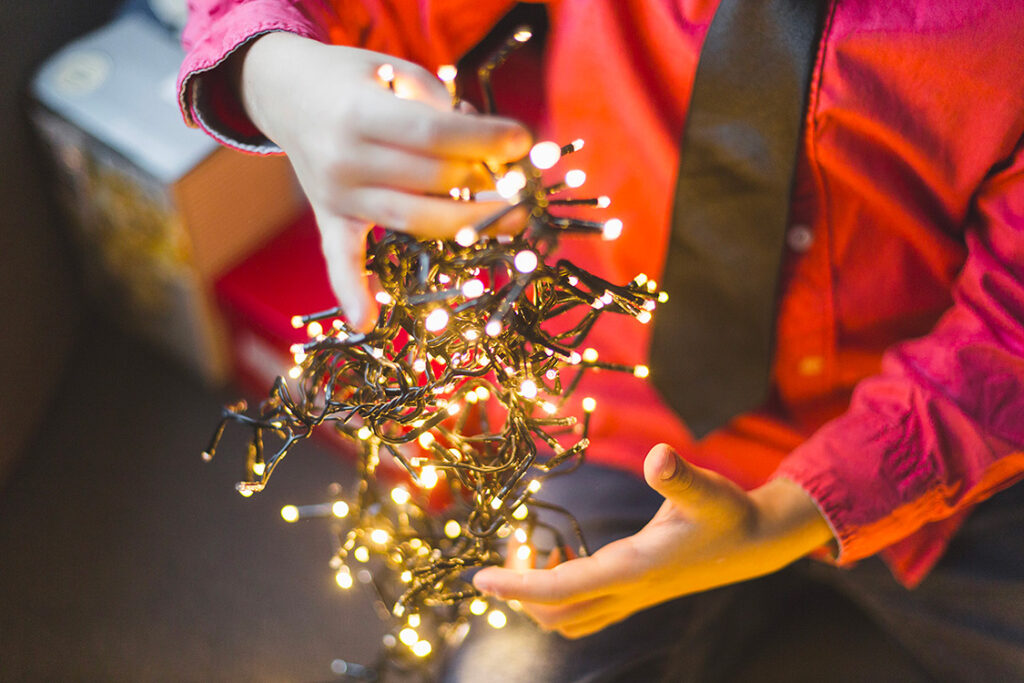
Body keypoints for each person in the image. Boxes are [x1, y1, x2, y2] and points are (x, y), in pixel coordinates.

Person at [178, 1, 1024, 679]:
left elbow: (1007, 336)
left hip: (956, 471)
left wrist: (785, 516)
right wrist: (279, 76)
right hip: (622, 413)